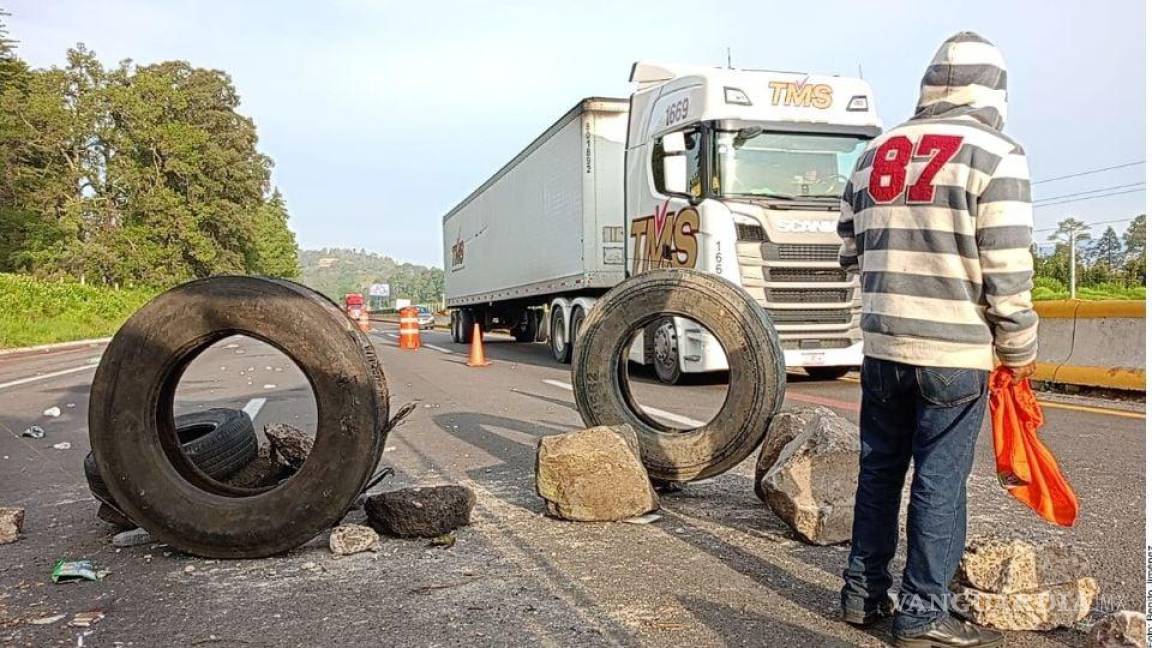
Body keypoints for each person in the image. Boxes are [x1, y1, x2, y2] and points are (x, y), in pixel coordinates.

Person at [836, 32, 1037, 647]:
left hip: (883, 346)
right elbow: (1007, 270)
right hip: (953, 354)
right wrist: (1019, 351)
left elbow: (849, 251)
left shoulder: (875, 152)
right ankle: (922, 614)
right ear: (994, 90)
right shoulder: (997, 153)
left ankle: (860, 593)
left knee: (879, 470)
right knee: (938, 482)